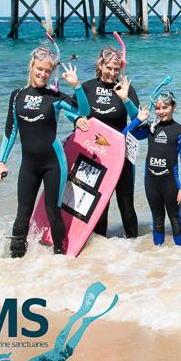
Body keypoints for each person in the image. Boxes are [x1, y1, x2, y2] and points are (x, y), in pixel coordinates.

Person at [0, 47, 89, 257]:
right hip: (28, 165)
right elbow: (10, 130)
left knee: (52, 211)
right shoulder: (17, 95)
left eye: (47, 71)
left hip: (53, 163)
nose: (43, 74)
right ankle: (15, 260)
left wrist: (77, 86)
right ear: (31, 67)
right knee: (23, 212)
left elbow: (84, 111)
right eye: (39, 68)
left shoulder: (54, 97)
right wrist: (1, 161)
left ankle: (59, 257)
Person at [66, 47, 140, 239]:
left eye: (116, 69)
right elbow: (70, 110)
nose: (113, 72)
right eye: (109, 67)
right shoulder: (88, 87)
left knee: (127, 206)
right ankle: (100, 253)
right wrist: (75, 120)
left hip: (120, 156)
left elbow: (138, 119)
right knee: (98, 207)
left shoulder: (125, 88)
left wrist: (125, 99)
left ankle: (136, 252)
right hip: (93, 156)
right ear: (100, 65)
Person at [124, 94, 181, 246]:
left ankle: (180, 254)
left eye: (165, 107)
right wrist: (138, 119)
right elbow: (125, 134)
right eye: (158, 108)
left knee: (175, 218)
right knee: (157, 219)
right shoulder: (150, 128)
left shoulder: (180, 131)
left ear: (174, 107)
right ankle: (158, 254)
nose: (161, 111)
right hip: (151, 182)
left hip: (171, 184)